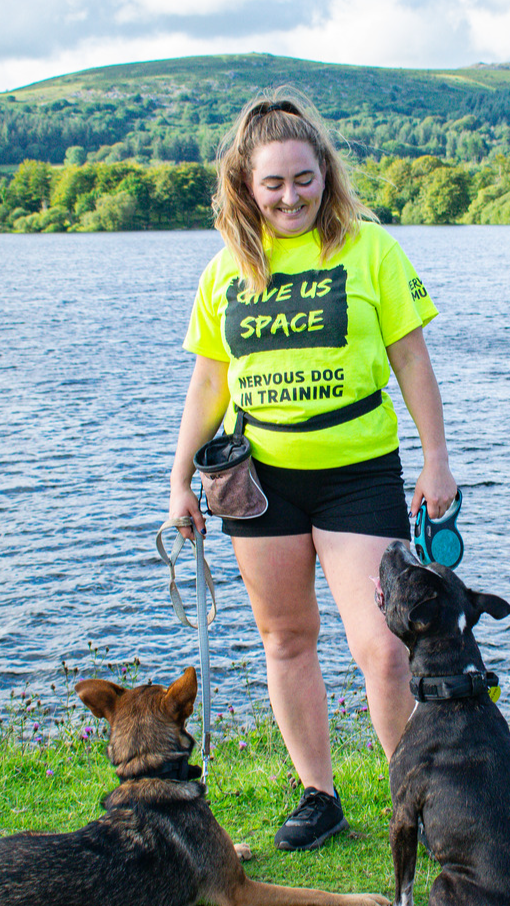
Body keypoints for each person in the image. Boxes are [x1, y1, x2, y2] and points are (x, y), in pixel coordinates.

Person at [167, 89, 457, 851]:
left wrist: (436, 460)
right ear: (245, 185)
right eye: (274, 183)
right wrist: (177, 481)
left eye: (304, 178)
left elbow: (411, 360)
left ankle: (414, 801)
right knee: (286, 638)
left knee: (385, 646)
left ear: (325, 173)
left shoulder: (370, 249)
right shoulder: (226, 270)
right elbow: (208, 382)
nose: (291, 195)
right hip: (258, 482)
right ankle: (318, 796)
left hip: (358, 470)